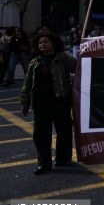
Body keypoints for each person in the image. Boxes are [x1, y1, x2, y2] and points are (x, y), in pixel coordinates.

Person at [20, 32, 77, 175]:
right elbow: (27, 84)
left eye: (45, 42)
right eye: (40, 43)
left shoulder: (64, 59)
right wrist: (25, 103)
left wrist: (74, 78)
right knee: (40, 134)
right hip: (41, 104)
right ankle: (43, 163)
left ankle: (63, 158)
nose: (42, 45)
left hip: (61, 101)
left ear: (54, 43)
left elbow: (80, 70)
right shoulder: (34, 62)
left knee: (63, 131)